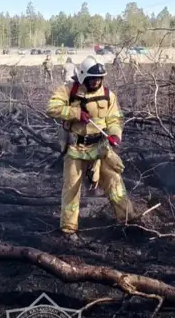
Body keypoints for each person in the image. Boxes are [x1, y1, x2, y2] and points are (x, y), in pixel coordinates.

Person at [46, 56, 133, 241]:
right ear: (84, 76)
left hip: (100, 149)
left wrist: (115, 134)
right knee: (72, 189)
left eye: (99, 78)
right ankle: (68, 230)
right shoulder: (70, 90)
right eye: (93, 78)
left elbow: (115, 119)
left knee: (115, 183)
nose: (96, 81)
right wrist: (75, 113)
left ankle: (128, 222)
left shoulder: (109, 95)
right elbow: (52, 108)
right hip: (76, 149)